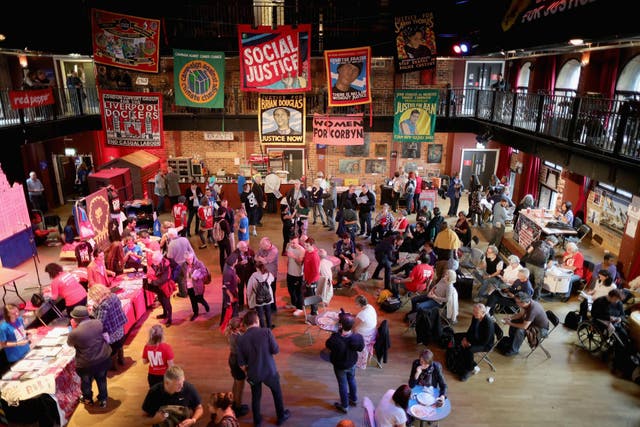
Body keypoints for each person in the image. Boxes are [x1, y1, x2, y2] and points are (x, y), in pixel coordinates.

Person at [236, 310, 291, 426]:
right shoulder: (266, 332)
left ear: (246, 324)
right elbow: (276, 350)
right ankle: (281, 417)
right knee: (277, 393)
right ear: (257, 321)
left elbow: (241, 363)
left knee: (256, 397)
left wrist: (248, 371)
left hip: (253, 374)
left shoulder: (240, 339)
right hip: (269, 371)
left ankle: (257, 421)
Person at [67, 306, 112, 408]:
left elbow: (70, 344)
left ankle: (88, 399)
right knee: (102, 380)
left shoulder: (74, 333)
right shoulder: (98, 323)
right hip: (103, 359)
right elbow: (107, 338)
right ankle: (103, 400)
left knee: (86, 383)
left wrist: (74, 328)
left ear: (76, 319)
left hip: (86, 364)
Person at [325, 312, 365, 414]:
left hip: (340, 366)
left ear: (341, 325)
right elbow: (361, 348)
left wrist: (335, 333)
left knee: (342, 384)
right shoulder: (357, 337)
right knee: (351, 380)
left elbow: (328, 345)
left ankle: (344, 406)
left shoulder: (335, 338)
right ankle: (354, 399)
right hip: (351, 363)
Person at [88, 284, 127, 371]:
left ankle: (113, 366)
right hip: (119, 326)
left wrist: (93, 311)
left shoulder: (103, 305)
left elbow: (99, 322)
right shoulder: (113, 296)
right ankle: (122, 359)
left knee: (112, 349)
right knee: (119, 345)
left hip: (111, 331)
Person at [500, 292, 549, 356]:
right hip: (532, 323)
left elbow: (524, 326)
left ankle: (514, 350)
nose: (516, 303)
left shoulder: (532, 309)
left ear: (523, 302)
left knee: (520, 331)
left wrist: (510, 323)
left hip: (541, 329)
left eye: (517, 302)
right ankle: (512, 341)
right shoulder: (527, 303)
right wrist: (510, 318)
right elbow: (520, 314)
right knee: (515, 322)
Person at [455, 303, 495, 381]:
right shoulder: (476, 316)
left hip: (485, 344)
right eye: (474, 311)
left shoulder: (488, 324)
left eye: (476, 312)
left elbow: (484, 341)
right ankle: (467, 361)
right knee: (456, 336)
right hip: (476, 337)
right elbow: (471, 329)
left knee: (469, 349)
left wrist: (470, 343)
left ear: (483, 313)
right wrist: (465, 338)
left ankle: (469, 369)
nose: (474, 313)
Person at [223, 316, 249, 417]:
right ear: (237, 328)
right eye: (242, 325)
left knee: (235, 381)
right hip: (238, 361)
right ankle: (238, 407)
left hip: (232, 359)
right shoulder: (239, 337)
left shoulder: (231, 334)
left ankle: (233, 402)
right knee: (240, 386)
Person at [178, 252, 211, 321]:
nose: (189, 261)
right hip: (189, 286)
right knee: (193, 301)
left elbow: (205, 272)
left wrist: (198, 277)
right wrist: (183, 283)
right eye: (187, 260)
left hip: (197, 285)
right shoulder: (184, 265)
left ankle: (204, 303)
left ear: (193, 257)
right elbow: (181, 275)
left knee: (199, 298)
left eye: (190, 259)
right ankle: (195, 313)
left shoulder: (199, 263)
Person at [523, 235, 556, 300]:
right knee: (538, 284)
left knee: (526, 279)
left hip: (529, 263)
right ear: (553, 242)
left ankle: (524, 295)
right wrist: (545, 268)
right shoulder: (551, 250)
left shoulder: (538, 242)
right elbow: (550, 264)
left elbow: (529, 251)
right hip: (540, 267)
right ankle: (535, 299)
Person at [147, 251, 174, 327]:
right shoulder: (157, 262)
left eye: (155, 261)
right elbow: (153, 269)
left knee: (167, 303)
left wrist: (152, 282)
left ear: (160, 259)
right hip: (159, 286)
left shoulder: (166, 265)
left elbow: (164, 279)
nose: (153, 262)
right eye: (153, 261)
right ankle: (165, 314)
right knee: (161, 300)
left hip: (165, 286)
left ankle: (170, 319)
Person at [247, 261, 275, 329]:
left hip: (258, 297)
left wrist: (249, 298)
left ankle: (263, 328)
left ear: (257, 268)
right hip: (268, 297)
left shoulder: (254, 275)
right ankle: (269, 325)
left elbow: (249, 288)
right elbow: (272, 280)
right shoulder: (269, 274)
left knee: (260, 314)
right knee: (268, 311)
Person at [354, 295, 377, 369]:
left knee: (347, 332)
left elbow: (354, 325)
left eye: (356, 303)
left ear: (360, 304)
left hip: (365, 335)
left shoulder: (363, 314)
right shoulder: (370, 307)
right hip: (372, 331)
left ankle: (354, 358)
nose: (355, 305)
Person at [222, 253, 240, 324]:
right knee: (233, 310)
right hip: (231, 294)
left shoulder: (230, 267)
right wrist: (231, 296)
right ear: (234, 261)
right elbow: (226, 287)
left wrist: (236, 277)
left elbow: (234, 271)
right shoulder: (228, 273)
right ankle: (234, 324)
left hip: (234, 291)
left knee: (235, 308)